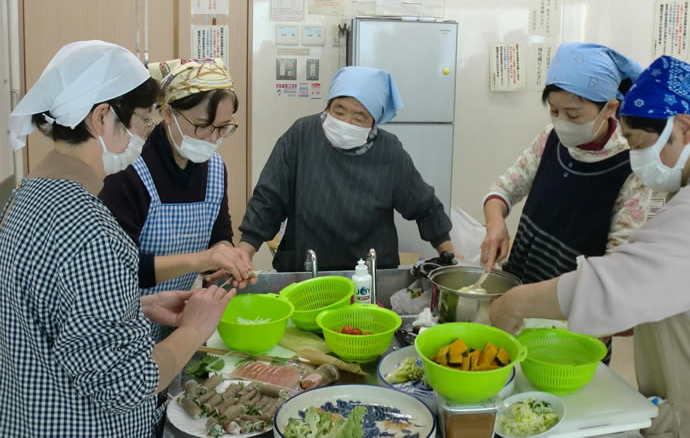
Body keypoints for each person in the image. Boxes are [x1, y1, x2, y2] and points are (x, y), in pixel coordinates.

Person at [490, 56, 690, 438]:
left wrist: (512, 303)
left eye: (638, 145)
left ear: (684, 129)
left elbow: (615, 284)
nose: (637, 163)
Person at [0, 41, 235, 438]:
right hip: (83, 425)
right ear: (102, 117)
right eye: (144, 121)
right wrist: (194, 330)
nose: (146, 134)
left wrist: (138, 305)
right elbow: (123, 384)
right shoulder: (89, 228)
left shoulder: (27, 196)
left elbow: (55, 315)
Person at [238, 66, 453, 271]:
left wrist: (448, 256)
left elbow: (425, 206)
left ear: (373, 123)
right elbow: (269, 198)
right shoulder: (302, 135)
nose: (345, 122)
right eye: (338, 112)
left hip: (369, 274)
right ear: (328, 106)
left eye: (358, 117)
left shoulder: (389, 150)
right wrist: (244, 253)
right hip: (306, 268)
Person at [99, 57, 254, 340]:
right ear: (168, 114)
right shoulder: (130, 171)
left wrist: (226, 258)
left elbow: (218, 235)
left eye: (223, 128)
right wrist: (201, 259)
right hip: (124, 324)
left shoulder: (215, 169)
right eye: (203, 126)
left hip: (177, 319)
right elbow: (119, 269)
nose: (212, 138)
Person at [481, 42, 652, 282]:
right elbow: (503, 189)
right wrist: (495, 224)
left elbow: (617, 266)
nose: (562, 122)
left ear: (609, 108)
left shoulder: (630, 169)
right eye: (554, 111)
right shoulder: (550, 139)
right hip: (519, 283)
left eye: (573, 114)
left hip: (569, 306)